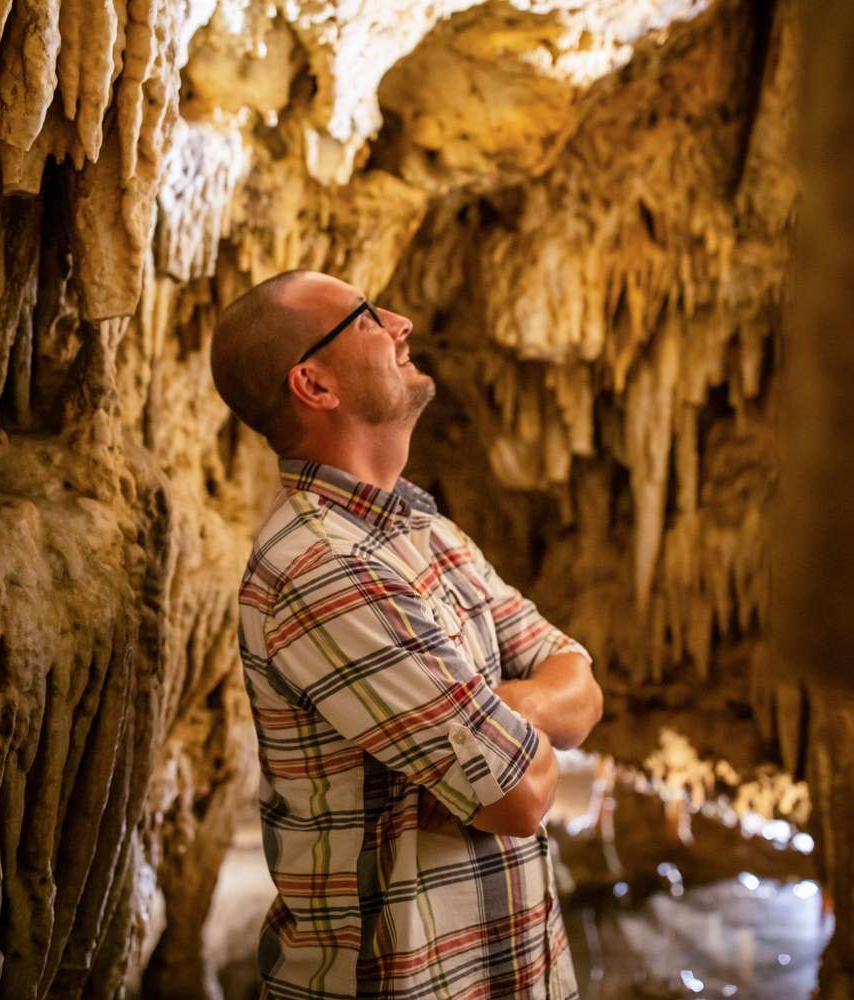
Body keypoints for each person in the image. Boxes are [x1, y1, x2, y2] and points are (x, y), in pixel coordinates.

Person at [211, 269, 604, 999]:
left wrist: (492, 712)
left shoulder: (426, 532)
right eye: (365, 318)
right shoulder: (323, 566)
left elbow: (579, 681)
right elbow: (519, 796)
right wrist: (504, 730)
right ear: (315, 385)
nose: (400, 322)